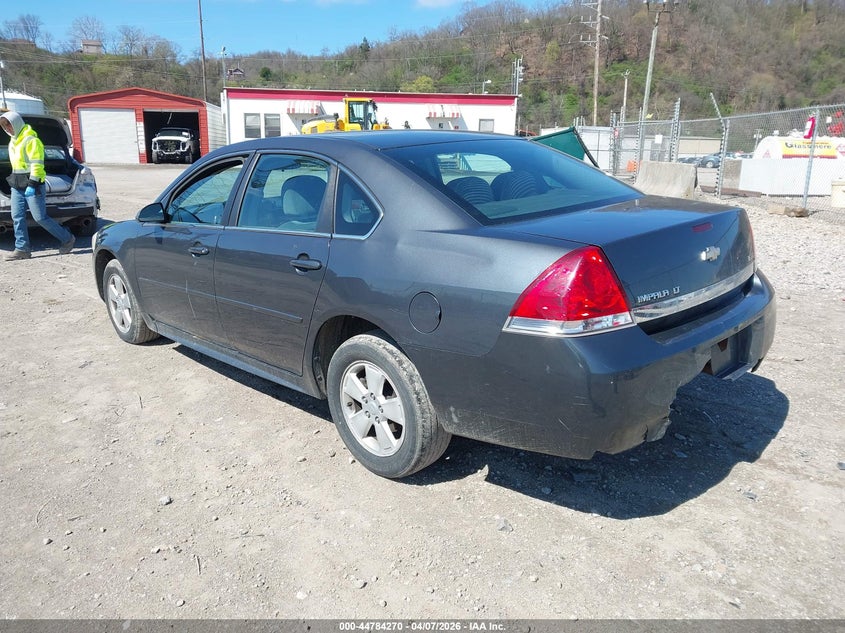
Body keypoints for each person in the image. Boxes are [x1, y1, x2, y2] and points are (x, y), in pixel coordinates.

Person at [1, 110, 75, 261]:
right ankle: (22, 249)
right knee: (17, 216)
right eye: (5, 127)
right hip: (17, 183)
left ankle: (67, 239)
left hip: (32, 184)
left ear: (16, 123)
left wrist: (32, 184)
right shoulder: (13, 141)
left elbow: (37, 164)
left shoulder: (31, 140)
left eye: (9, 125)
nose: (8, 129)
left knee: (40, 217)